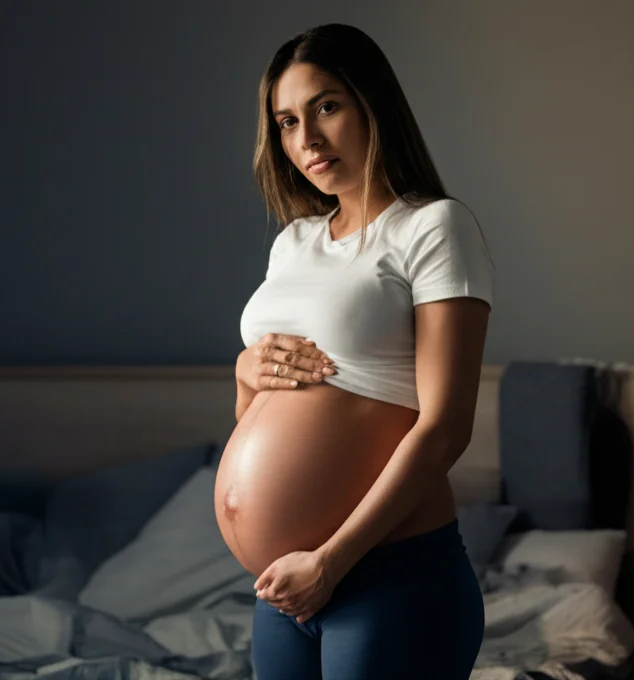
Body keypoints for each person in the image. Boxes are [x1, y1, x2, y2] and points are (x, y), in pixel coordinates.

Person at [212, 23, 493, 680]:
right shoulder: (294, 243)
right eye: (285, 122)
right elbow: (255, 418)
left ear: (374, 105)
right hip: (283, 586)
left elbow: (447, 427)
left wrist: (331, 561)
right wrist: (244, 371)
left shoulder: (433, 227)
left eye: (326, 107)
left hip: (386, 573)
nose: (306, 139)